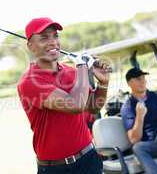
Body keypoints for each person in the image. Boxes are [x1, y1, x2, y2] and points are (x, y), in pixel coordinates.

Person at [17, 17, 110, 174]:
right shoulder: (30, 82)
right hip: (56, 168)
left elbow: (92, 107)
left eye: (55, 36)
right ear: (31, 46)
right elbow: (75, 105)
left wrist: (103, 84)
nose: (53, 42)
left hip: (88, 159)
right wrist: (82, 65)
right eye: (44, 38)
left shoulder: (72, 72)